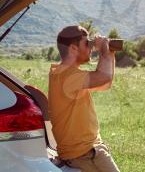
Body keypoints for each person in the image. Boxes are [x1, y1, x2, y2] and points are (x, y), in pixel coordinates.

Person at [48, 25, 120, 172]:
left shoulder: (64, 74)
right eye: (87, 43)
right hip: (85, 155)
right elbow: (104, 76)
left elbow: (105, 83)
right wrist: (103, 51)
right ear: (73, 48)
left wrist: (109, 53)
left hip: (86, 152)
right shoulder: (66, 76)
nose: (90, 47)